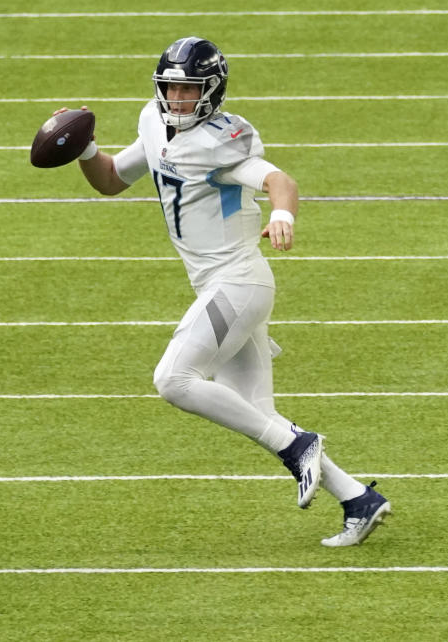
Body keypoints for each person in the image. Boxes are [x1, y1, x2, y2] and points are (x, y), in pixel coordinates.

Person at [64, 37, 391, 546]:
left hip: (238, 281)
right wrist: (82, 146)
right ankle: (358, 499)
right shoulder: (154, 121)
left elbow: (279, 179)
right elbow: (110, 179)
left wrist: (283, 214)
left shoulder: (223, 140)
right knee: (258, 412)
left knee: (173, 379)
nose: (177, 101)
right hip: (220, 286)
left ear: (212, 92)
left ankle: (299, 445)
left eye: (189, 91)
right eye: (170, 89)